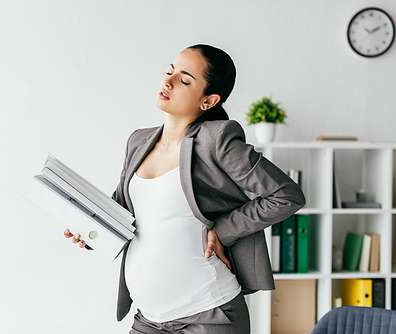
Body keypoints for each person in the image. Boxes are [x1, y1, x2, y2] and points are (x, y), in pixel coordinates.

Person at [64, 44, 305, 333]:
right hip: (148, 319)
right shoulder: (138, 142)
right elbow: (121, 212)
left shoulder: (216, 140)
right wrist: (90, 232)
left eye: (185, 79)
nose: (168, 81)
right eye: (170, 71)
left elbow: (286, 195)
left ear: (208, 100)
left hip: (209, 316)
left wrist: (224, 230)